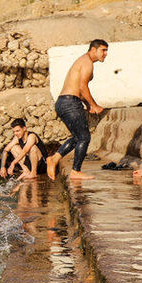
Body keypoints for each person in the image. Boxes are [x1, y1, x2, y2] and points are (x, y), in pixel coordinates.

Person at [45, 39, 108, 180]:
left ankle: (54, 159)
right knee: (85, 137)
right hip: (70, 102)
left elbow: (79, 88)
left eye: (106, 50)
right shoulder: (87, 62)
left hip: (64, 102)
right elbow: (82, 86)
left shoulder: (83, 61)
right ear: (93, 49)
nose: (105, 53)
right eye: (103, 50)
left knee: (78, 137)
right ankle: (75, 171)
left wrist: (87, 104)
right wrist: (94, 105)